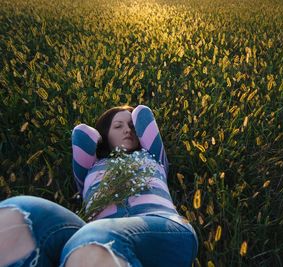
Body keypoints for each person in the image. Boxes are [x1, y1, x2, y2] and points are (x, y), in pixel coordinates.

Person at [0, 105, 198, 267]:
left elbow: (143, 114)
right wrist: (101, 139)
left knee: (96, 237)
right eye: (118, 126)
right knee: (18, 210)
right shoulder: (93, 165)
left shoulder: (152, 156)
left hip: (160, 223)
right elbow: (82, 134)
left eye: (131, 126)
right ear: (105, 134)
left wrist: (126, 120)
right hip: (90, 232)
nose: (128, 130)